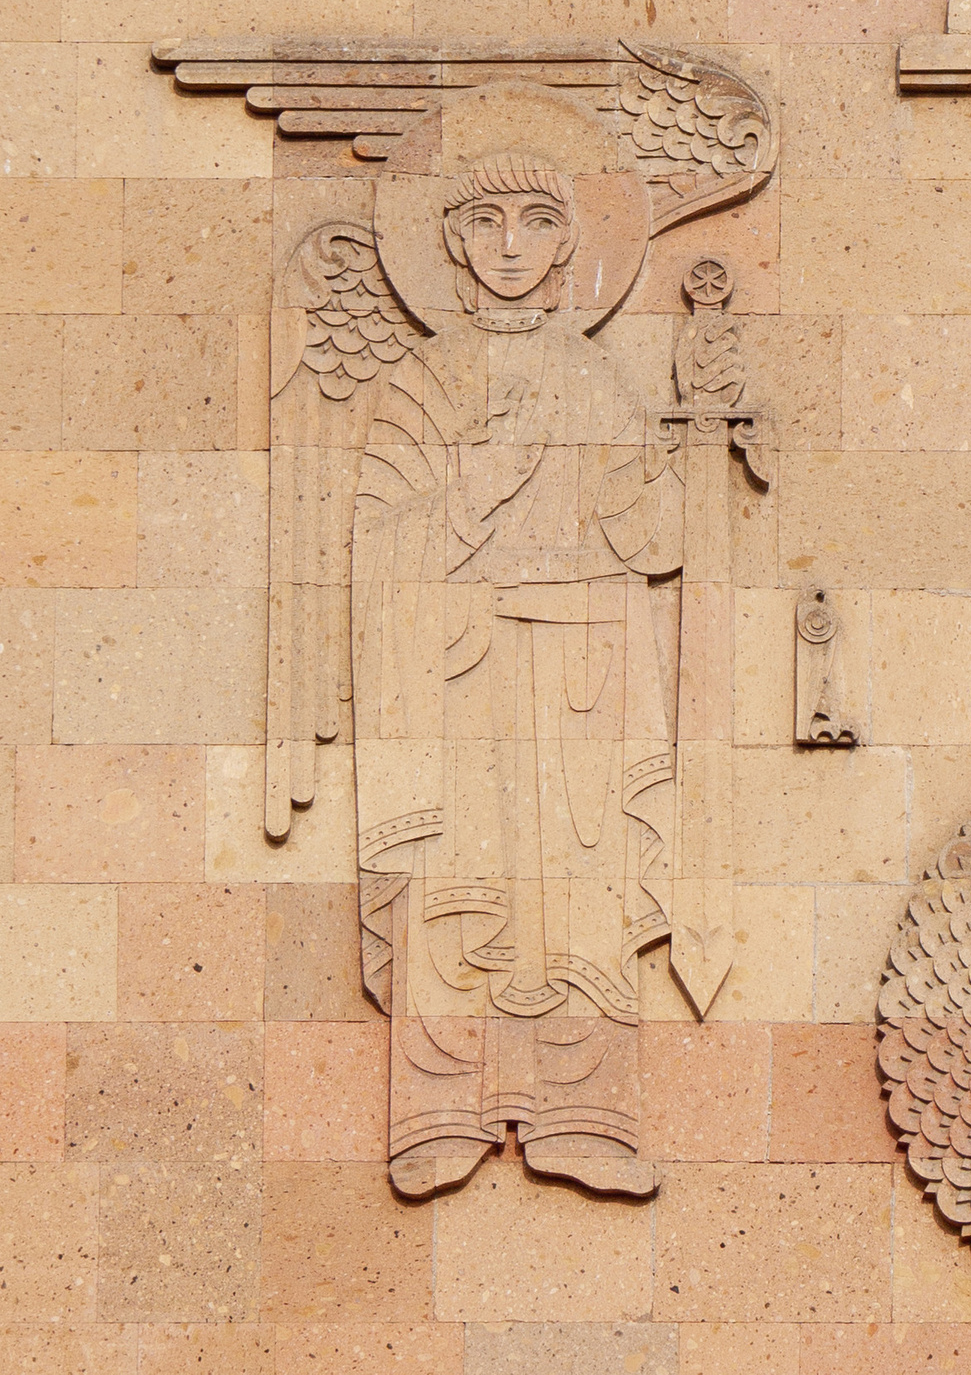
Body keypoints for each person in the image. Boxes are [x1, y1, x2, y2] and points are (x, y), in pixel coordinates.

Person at [350, 156, 684, 1197]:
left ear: (565, 244)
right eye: (485, 221)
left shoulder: (595, 377)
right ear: (451, 241)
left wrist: (687, 453)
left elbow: (655, 537)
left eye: (536, 221)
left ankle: (582, 1112)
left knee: (579, 891)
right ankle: (442, 1108)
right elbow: (369, 546)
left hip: (581, 667)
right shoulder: (421, 380)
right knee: (457, 887)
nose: (509, 244)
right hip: (461, 669)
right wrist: (473, 490)